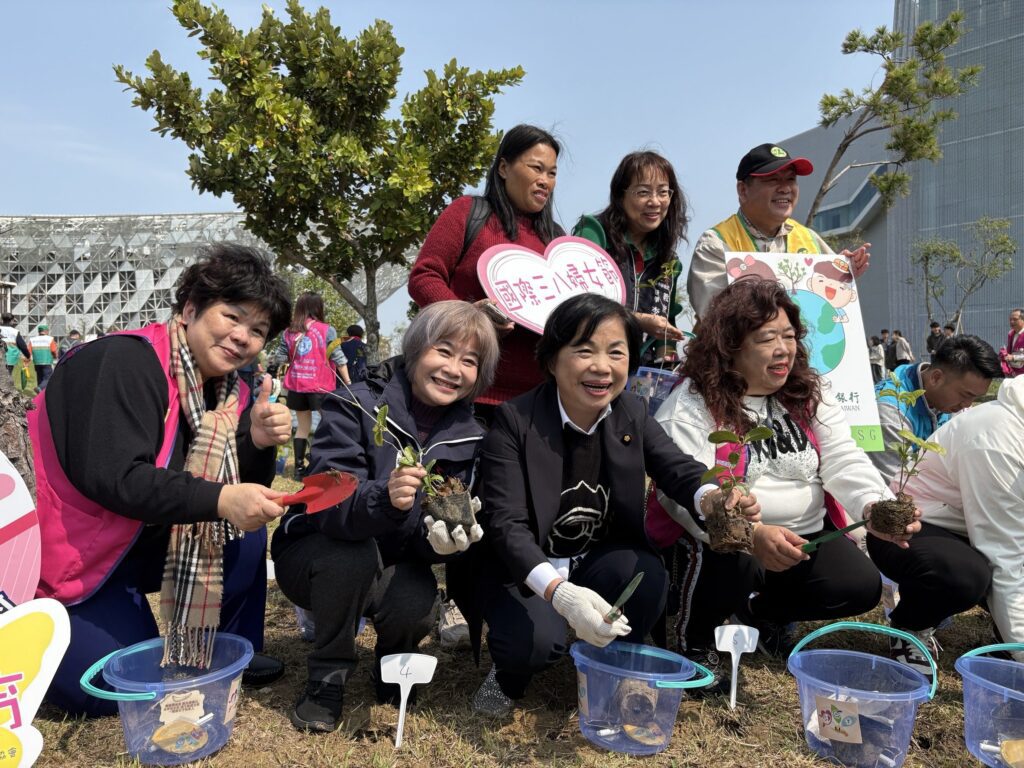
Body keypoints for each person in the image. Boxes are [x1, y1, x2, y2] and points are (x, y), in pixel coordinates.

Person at [28, 243, 293, 717]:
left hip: (135, 539)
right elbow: (115, 479)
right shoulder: (126, 362)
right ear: (190, 308)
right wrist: (220, 499)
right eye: (231, 316)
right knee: (113, 688)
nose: (242, 337)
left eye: (257, 331)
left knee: (244, 540)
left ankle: (226, 651)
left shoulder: (227, 392)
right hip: (68, 553)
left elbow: (237, 485)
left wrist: (255, 440)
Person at [470, 293, 758, 714]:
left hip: (595, 555)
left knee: (644, 575)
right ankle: (507, 677)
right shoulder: (515, 422)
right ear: (552, 359)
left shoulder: (630, 411)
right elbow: (507, 526)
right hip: (530, 565)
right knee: (533, 644)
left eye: (615, 353)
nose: (602, 367)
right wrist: (561, 595)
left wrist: (713, 497)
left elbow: (676, 467)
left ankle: (612, 664)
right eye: (584, 351)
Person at [652, 279, 917, 679]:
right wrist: (751, 533)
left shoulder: (806, 393)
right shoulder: (691, 403)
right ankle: (698, 640)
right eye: (766, 338)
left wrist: (872, 503)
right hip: (729, 541)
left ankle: (760, 614)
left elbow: (843, 457)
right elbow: (681, 488)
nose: (783, 350)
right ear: (730, 346)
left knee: (859, 585)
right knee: (731, 553)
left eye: (789, 336)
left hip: (805, 536)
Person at [271, 301, 499, 732]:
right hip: (318, 551)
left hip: (392, 559)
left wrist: (444, 544)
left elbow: (432, 533)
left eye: (470, 361)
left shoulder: (472, 436)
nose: (454, 368)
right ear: (415, 349)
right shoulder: (355, 404)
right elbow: (325, 503)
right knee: (350, 558)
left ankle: (391, 668)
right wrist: (384, 497)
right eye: (444, 351)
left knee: (417, 599)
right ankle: (328, 674)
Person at [868, 374, 1024, 672]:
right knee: (966, 577)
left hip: (981, 528)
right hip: (913, 531)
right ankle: (910, 625)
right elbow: (1003, 556)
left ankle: (1006, 640)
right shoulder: (997, 443)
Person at [408, 124, 563, 419]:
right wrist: (469, 317)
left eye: (552, 173)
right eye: (536, 168)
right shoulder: (468, 212)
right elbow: (424, 276)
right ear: (503, 167)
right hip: (461, 394)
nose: (544, 181)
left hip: (534, 404)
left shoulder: (556, 241)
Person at [686, 143, 870, 320]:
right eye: (772, 180)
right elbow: (716, 318)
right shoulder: (716, 243)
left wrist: (839, 272)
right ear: (743, 190)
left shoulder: (809, 238)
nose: (785, 188)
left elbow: (832, 305)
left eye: (791, 179)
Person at [573, 151, 686, 367]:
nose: (655, 202)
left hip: (640, 377)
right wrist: (637, 321)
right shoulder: (594, 233)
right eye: (643, 192)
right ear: (620, 195)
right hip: (591, 363)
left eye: (663, 192)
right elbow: (576, 300)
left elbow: (666, 320)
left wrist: (667, 358)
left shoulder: (669, 260)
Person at [869, 334, 1000, 485]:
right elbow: (898, 488)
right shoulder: (892, 413)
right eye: (965, 395)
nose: (967, 405)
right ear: (936, 378)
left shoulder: (938, 393)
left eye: (975, 398)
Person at [272, 292, 350, 478]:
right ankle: (322, 463)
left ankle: (299, 470)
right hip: (320, 386)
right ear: (318, 308)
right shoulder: (326, 330)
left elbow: (280, 358)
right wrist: (348, 383)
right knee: (329, 423)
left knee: (302, 427)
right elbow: (338, 358)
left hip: (298, 385)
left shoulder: (289, 332)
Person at [29, 322, 57, 389]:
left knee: (40, 378)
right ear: (46, 331)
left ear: (39, 331)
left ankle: (39, 395)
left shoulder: (32, 339)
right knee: (48, 378)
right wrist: (55, 357)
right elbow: (53, 351)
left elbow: (28, 351)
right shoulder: (50, 339)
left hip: (36, 362)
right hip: (46, 362)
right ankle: (39, 388)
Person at [1001, 307, 1024, 377]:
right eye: (1010, 319)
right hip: (1014, 374)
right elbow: (1010, 352)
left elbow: (1012, 356)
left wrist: (1013, 357)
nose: (1012, 322)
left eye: (1015, 319)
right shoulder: (1011, 334)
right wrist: (1004, 354)